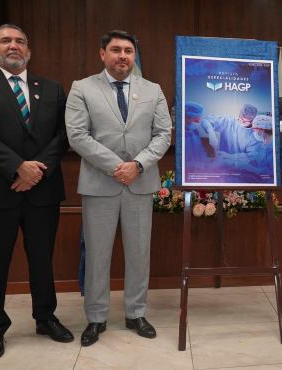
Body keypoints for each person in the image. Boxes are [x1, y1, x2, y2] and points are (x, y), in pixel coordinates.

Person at [0, 24, 73, 359]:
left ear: (29, 51)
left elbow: (64, 135)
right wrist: (17, 167)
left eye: (20, 41)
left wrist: (35, 170)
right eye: (5, 41)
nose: (14, 46)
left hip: (43, 191)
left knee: (42, 260)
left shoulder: (51, 89)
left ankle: (45, 317)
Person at [65, 30, 172, 347]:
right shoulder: (82, 88)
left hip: (140, 184)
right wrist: (117, 166)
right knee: (98, 255)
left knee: (140, 254)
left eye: (128, 50)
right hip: (100, 185)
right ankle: (96, 318)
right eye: (116, 50)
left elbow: (163, 134)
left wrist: (137, 165)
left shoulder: (152, 90)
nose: (123, 55)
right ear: (102, 54)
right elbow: (77, 136)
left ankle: (136, 313)